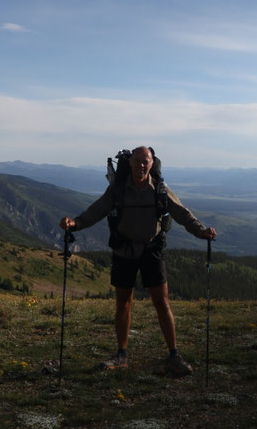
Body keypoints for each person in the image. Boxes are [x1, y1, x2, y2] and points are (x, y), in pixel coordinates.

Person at [59, 146, 217, 376]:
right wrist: (74, 223)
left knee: (162, 302)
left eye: (146, 161)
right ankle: (123, 354)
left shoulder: (160, 189)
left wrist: (201, 231)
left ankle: (173, 354)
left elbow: (181, 213)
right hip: (124, 249)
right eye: (138, 161)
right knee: (124, 301)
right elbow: (97, 210)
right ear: (130, 162)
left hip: (151, 249)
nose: (142, 165)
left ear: (152, 163)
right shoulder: (119, 189)